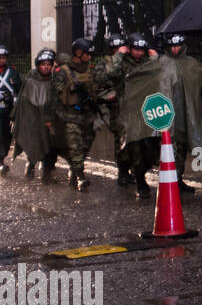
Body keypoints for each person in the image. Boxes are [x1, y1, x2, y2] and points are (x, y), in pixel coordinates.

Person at [104, 33, 162, 199]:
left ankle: (141, 171)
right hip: (129, 112)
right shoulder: (122, 64)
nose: (139, 53)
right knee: (134, 147)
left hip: (148, 111)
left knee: (151, 148)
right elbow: (110, 72)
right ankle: (140, 180)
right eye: (136, 49)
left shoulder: (147, 63)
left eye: (142, 49)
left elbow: (164, 75)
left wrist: (156, 59)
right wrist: (119, 54)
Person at [51, 37, 104, 190]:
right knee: (75, 146)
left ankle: (74, 170)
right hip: (70, 116)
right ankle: (81, 177)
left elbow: (96, 87)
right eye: (87, 54)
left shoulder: (90, 69)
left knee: (85, 146)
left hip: (88, 116)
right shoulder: (64, 71)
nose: (89, 57)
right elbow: (55, 94)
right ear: (78, 52)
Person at [162, 33, 202, 193]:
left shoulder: (192, 64)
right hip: (170, 116)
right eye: (172, 46)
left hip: (188, 115)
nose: (175, 49)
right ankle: (172, 183)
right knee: (172, 150)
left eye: (178, 45)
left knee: (181, 150)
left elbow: (201, 85)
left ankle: (178, 180)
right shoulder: (162, 64)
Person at [14, 49, 58, 180]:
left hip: (49, 119)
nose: (46, 67)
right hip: (33, 119)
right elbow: (23, 101)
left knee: (51, 145)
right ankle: (31, 163)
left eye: (48, 64)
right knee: (34, 143)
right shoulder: (30, 81)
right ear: (38, 65)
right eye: (43, 64)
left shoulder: (54, 80)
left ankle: (47, 170)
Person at [102, 35, 131, 185]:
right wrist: (119, 55)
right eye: (115, 49)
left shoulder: (128, 62)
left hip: (131, 105)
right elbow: (111, 73)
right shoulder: (109, 63)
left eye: (120, 48)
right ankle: (123, 171)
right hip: (117, 108)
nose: (119, 50)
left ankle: (134, 171)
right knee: (120, 139)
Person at [0, 44, 22, 174]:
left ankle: (3, 157)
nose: (1, 60)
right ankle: (1, 161)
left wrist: (15, 100)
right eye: (0, 57)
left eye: (3, 57)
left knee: (7, 135)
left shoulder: (13, 72)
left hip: (9, 110)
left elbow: (19, 89)